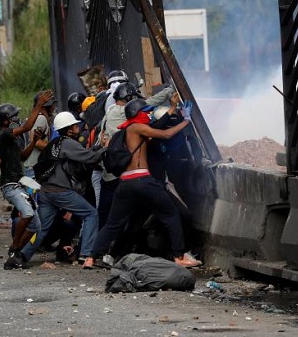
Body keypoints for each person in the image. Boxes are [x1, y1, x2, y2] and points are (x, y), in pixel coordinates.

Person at [88, 99, 202, 268]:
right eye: (146, 111)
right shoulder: (137, 128)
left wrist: (172, 109)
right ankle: (179, 256)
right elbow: (165, 134)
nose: (149, 114)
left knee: (113, 223)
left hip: (125, 183)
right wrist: (186, 120)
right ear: (137, 114)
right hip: (142, 180)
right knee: (171, 215)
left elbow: (156, 125)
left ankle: (91, 258)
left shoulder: (127, 131)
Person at [18, 112, 104, 270]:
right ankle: (86, 254)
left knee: (42, 227)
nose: (78, 127)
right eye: (75, 125)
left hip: (45, 191)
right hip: (60, 192)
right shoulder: (68, 143)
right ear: (69, 129)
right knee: (91, 214)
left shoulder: (55, 143)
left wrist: (97, 147)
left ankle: (23, 254)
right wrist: (105, 147)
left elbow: (84, 153)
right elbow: (90, 158)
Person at [0, 90, 54, 270]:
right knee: (27, 213)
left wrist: (34, 142)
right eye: (14, 117)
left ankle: (16, 253)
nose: (17, 119)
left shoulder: (13, 138)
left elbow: (21, 156)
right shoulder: (4, 133)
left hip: (20, 181)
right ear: (6, 121)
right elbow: (28, 126)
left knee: (36, 224)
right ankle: (14, 247)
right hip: (10, 184)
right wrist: (38, 106)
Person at [23, 91, 56, 178]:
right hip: (33, 168)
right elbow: (36, 142)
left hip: (34, 167)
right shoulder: (41, 118)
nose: (53, 107)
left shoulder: (39, 117)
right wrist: (55, 148)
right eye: (51, 105)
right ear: (46, 106)